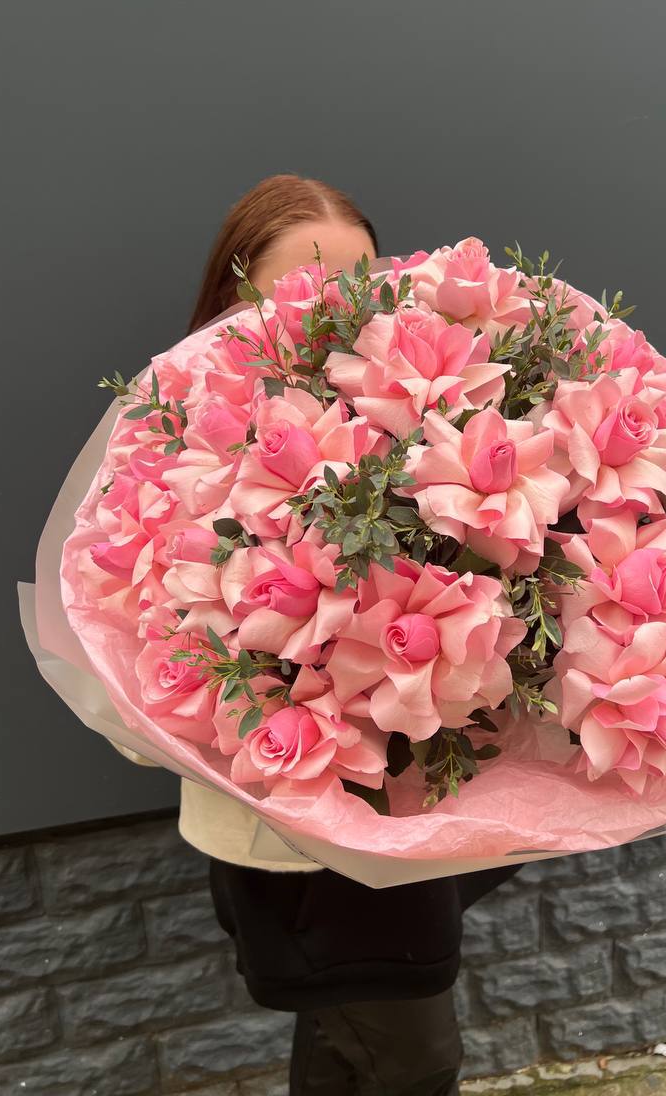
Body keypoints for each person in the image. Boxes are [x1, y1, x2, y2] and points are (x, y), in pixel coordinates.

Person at [113, 173, 521, 1095]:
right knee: (407, 1057)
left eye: (358, 289)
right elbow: (135, 664)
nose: (331, 316)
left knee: (359, 1050)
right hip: (288, 836)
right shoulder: (180, 446)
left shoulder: (417, 426)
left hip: (400, 818)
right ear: (231, 301)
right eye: (298, 292)